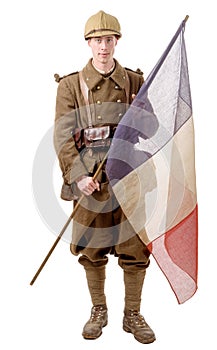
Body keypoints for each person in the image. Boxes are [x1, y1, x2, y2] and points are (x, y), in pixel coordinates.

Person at [54, 10, 156, 344]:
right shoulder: (71, 85)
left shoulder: (135, 81)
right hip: (91, 184)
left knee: (135, 249)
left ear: (116, 42)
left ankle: (132, 314)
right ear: (88, 43)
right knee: (92, 249)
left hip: (128, 178)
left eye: (109, 39)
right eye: (97, 40)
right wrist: (78, 175)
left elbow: (152, 128)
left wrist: (138, 114)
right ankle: (99, 311)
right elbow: (62, 136)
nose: (103, 47)